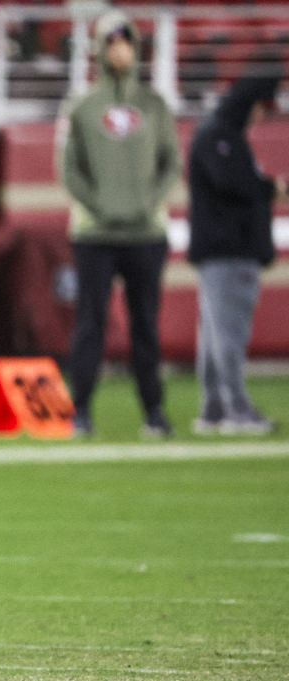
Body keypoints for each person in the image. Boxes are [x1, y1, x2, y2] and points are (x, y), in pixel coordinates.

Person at [57, 10, 181, 440]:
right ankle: (82, 411)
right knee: (90, 324)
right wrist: (103, 206)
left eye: (126, 41)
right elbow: (70, 170)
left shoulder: (154, 104)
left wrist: (146, 203)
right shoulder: (84, 106)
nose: (120, 49)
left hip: (147, 233)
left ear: (137, 48)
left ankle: (155, 412)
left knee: (146, 325)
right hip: (95, 234)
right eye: (112, 41)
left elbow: (171, 164)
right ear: (99, 49)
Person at [187, 73, 284, 436]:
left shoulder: (220, 135)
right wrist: (269, 188)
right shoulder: (221, 136)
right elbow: (233, 184)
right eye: (262, 109)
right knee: (228, 334)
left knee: (215, 334)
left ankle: (214, 407)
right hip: (229, 248)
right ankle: (235, 409)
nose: (262, 119)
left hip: (224, 249)